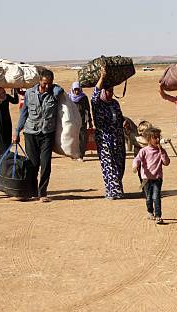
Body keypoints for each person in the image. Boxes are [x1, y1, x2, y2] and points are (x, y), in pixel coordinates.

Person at [14, 69, 64, 202]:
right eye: (44, 84)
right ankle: (31, 191)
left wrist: (55, 88)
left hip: (47, 133)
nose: (47, 87)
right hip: (31, 133)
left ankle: (42, 193)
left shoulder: (55, 93)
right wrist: (17, 131)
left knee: (46, 164)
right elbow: (24, 113)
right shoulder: (30, 93)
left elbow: (61, 90)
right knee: (33, 164)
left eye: (50, 84)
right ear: (39, 81)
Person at [91, 66, 126, 199]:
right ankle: (113, 192)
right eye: (108, 91)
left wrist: (124, 122)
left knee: (119, 164)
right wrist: (102, 77)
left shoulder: (115, 104)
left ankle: (118, 189)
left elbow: (120, 117)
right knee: (109, 164)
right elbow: (95, 93)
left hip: (118, 138)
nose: (110, 93)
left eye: (112, 91)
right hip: (105, 139)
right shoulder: (97, 103)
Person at [132, 126, 170, 224]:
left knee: (156, 197)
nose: (157, 139)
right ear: (148, 139)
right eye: (155, 138)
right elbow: (137, 159)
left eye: (158, 137)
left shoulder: (161, 151)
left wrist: (162, 153)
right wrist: (135, 166)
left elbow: (166, 163)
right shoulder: (144, 151)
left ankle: (158, 215)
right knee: (148, 197)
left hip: (157, 178)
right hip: (146, 179)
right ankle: (150, 212)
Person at [0, 87, 19, 154]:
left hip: (6, 120)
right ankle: (2, 152)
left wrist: (15, 91)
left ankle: (7, 151)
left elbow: (15, 101)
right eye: (0, 92)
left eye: (3, 92)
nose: (3, 93)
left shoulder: (7, 97)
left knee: (7, 136)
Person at [68, 82, 93, 161]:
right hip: (72, 121)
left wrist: (90, 121)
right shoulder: (69, 97)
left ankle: (81, 155)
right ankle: (73, 154)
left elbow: (87, 110)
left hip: (82, 121)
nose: (76, 92)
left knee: (82, 138)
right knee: (73, 138)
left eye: (78, 90)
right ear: (72, 89)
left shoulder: (83, 97)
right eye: (75, 90)